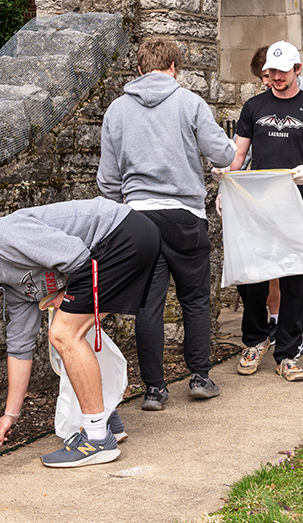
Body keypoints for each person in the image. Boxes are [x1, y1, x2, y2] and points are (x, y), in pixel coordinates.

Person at [0, 197, 159, 468]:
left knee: (63, 334)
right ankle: (106, 421)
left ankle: (97, 439)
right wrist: (10, 414)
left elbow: (77, 256)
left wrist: (65, 294)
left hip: (123, 235)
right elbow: (20, 347)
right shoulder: (11, 285)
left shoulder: (4, 238)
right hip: (120, 244)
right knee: (74, 334)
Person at [97, 37, 235, 409]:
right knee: (194, 299)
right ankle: (200, 376)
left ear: (139, 69)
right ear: (174, 68)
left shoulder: (117, 110)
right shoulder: (190, 103)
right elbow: (224, 152)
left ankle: (155, 389)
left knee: (147, 305)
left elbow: (107, 180)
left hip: (138, 219)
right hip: (185, 215)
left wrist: (124, 207)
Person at [224, 40, 303, 382]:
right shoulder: (254, 107)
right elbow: (238, 157)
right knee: (254, 273)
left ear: (297, 70)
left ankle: (288, 352)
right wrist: (226, 184)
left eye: (283, 72)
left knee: (294, 277)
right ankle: (255, 340)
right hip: (257, 203)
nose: (277, 77)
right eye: (271, 71)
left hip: (295, 204)